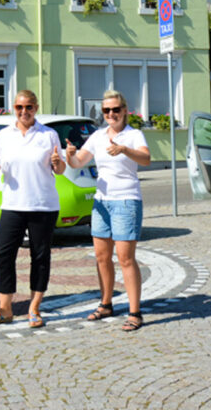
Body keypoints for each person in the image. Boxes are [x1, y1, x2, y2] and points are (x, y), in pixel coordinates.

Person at [65, 90, 151, 332]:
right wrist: (70, 156)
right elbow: (78, 162)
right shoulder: (98, 136)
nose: (111, 114)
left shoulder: (134, 135)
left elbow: (146, 159)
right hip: (101, 202)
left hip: (126, 200)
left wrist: (124, 149)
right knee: (102, 257)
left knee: (125, 258)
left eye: (115, 109)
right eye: (106, 110)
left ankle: (135, 312)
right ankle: (106, 304)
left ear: (124, 111)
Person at [0, 89, 65, 328]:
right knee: (4, 255)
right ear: (13, 109)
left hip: (43, 205)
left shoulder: (49, 134)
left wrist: (59, 163)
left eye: (29, 107)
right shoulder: (3, 135)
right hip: (13, 204)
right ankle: (5, 308)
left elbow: (59, 169)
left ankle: (34, 308)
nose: (24, 112)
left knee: (40, 256)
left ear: (36, 108)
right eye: (19, 107)